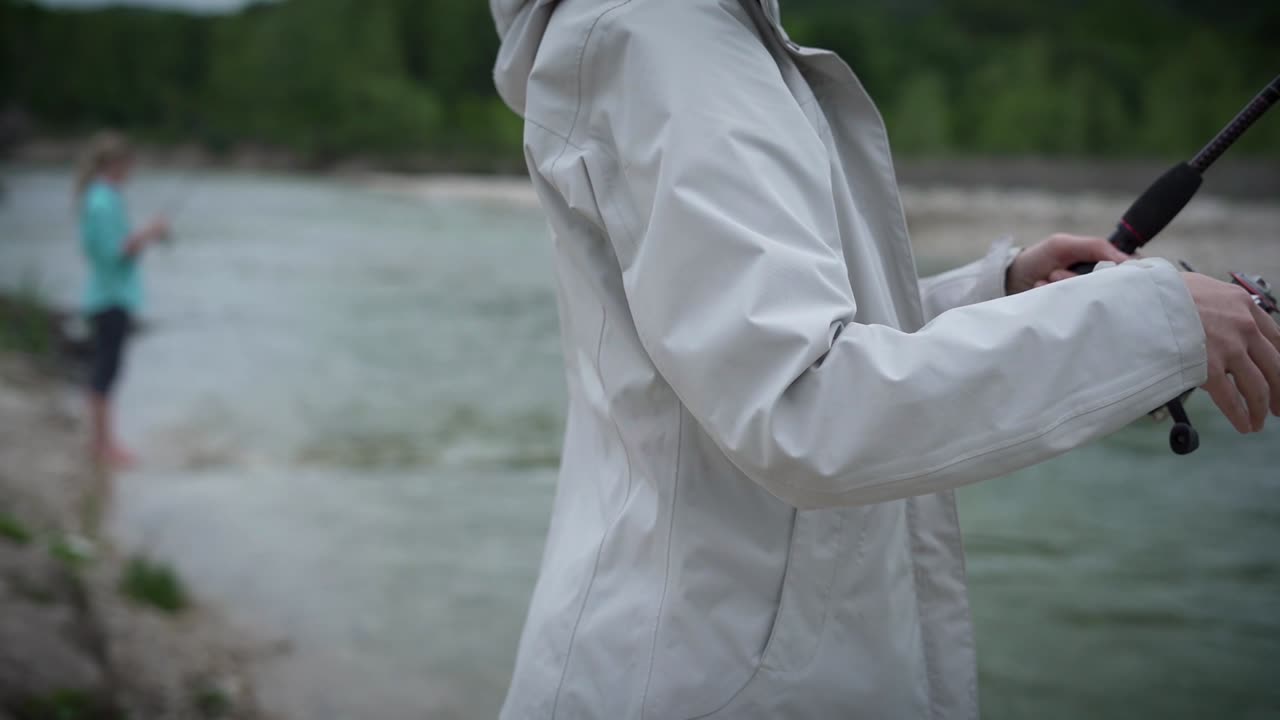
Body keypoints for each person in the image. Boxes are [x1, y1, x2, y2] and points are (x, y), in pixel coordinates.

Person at [489, 1, 1280, 717]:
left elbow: (744, 350)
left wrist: (996, 296)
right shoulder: (667, 38)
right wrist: (1149, 321)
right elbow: (803, 409)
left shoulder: (690, 35)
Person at [75, 131, 168, 469]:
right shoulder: (102, 200)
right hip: (109, 298)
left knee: (106, 370)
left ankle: (100, 443)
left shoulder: (102, 197)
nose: (132, 168)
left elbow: (111, 251)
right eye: (128, 162)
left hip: (109, 295)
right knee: (105, 371)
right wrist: (151, 233)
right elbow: (115, 253)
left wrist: (144, 237)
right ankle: (103, 445)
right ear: (115, 163)